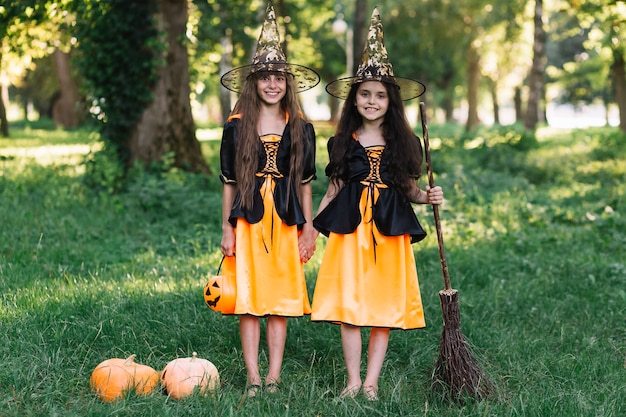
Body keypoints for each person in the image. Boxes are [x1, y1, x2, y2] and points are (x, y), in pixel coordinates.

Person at [310, 7, 443, 401]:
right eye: (365, 94)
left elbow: (409, 191)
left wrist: (428, 197)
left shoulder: (405, 143)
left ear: (391, 101)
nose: (371, 101)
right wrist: (311, 228)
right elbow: (333, 188)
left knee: (381, 304)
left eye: (379, 95)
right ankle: (352, 381)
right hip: (349, 228)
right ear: (356, 99)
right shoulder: (341, 142)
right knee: (350, 304)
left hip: (389, 229)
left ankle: (371, 383)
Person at [218, 0, 320, 397]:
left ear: (287, 83)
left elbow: (305, 183)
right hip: (247, 219)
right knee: (248, 298)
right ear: (254, 82)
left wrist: (309, 229)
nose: (272, 84)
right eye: (265, 78)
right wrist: (226, 228)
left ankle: (274, 376)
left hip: (286, 219)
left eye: (279, 77)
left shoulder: (300, 127)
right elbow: (228, 182)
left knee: (278, 298)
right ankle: (253, 376)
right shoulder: (237, 125)